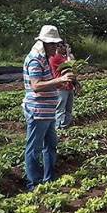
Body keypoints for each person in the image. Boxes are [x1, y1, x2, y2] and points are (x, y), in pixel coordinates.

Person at [22, 25, 76, 190]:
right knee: (34, 148)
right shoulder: (34, 60)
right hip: (38, 112)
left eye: (56, 44)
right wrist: (59, 81)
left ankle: (49, 178)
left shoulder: (45, 58)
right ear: (43, 43)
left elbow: (48, 84)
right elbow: (36, 86)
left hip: (48, 112)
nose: (56, 47)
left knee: (50, 145)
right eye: (52, 44)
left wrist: (63, 83)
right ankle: (34, 183)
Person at [49, 42, 76, 129]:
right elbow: (69, 64)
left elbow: (72, 65)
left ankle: (65, 126)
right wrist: (68, 53)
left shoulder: (62, 57)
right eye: (62, 46)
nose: (64, 48)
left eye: (65, 47)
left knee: (68, 110)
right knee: (60, 109)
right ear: (57, 48)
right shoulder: (55, 57)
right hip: (61, 87)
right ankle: (58, 127)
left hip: (68, 86)